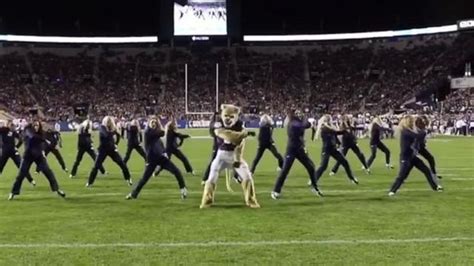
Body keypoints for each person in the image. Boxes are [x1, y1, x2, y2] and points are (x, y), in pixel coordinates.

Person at [126, 117, 187, 200]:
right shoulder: (148, 132)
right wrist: (157, 125)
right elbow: (160, 133)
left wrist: (164, 152)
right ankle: (133, 194)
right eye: (152, 121)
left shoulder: (156, 134)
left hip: (161, 158)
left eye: (155, 122)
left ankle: (183, 190)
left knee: (177, 171)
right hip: (151, 160)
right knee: (144, 179)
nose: (154, 123)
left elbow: (160, 144)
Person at [271, 110, 322, 200]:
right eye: (297, 113)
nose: (299, 114)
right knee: (285, 170)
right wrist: (308, 122)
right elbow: (303, 125)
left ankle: (314, 187)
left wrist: (308, 123)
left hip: (300, 149)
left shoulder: (297, 122)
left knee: (311, 167)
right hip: (292, 149)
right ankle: (276, 191)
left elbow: (304, 125)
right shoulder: (293, 123)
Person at [9, 120, 66, 200]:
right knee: (21, 175)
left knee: (48, 172)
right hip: (28, 156)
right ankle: (13, 192)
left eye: (38, 125)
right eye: (35, 125)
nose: (36, 127)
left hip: (38, 156)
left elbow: (42, 144)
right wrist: (44, 139)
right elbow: (33, 137)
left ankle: (57, 190)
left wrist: (43, 150)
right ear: (32, 126)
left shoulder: (41, 133)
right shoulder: (28, 130)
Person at [388, 115, 443, 196]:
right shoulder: (405, 131)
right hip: (405, 157)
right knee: (402, 175)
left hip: (412, 157)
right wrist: (424, 131)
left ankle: (435, 187)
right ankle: (392, 191)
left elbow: (419, 138)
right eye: (411, 121)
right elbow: (418, 136)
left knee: (426, 170)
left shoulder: (408, 130)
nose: (413, 123)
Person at [313, 115, 359, 185]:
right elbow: (336, 132)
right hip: (326, 149)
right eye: (329, 119)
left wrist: (339, 140)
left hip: (333, 149)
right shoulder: (324, 128)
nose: (330, 120)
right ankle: (313, 180)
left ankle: (352, 178)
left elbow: (335, 134)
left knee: (345, 162)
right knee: (323, 166)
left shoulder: (329, 127)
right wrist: (345, 130)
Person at [86, 116, 131, 187]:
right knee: (96, 166)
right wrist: (114, 131)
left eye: (109, 122)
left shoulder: (112, 128)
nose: (108, 123)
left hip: (112, 149)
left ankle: (128, 179)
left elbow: (118, 135)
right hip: (102, 150)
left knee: (122, 164)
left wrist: (116, 143)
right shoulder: (102, 127)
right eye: (108, 122)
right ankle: (89, 182)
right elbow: (106, 134)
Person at [0, 120, 36, 186]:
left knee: (21, 165)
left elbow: (20, 139)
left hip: (13, 151)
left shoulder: (14, 132)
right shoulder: (3, 130)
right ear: (7, 125)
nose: (12, 126)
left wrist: (17, 147)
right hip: (5, 152)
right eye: (11, 125)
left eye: (12, 125)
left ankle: (31, 180)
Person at [415, 115, 442, 179]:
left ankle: (434, 173)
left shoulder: (422, 129)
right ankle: (401, 177)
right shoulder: (418, 129)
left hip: (420, 147)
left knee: (430, 158)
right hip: (416, 147)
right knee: (409, 164)